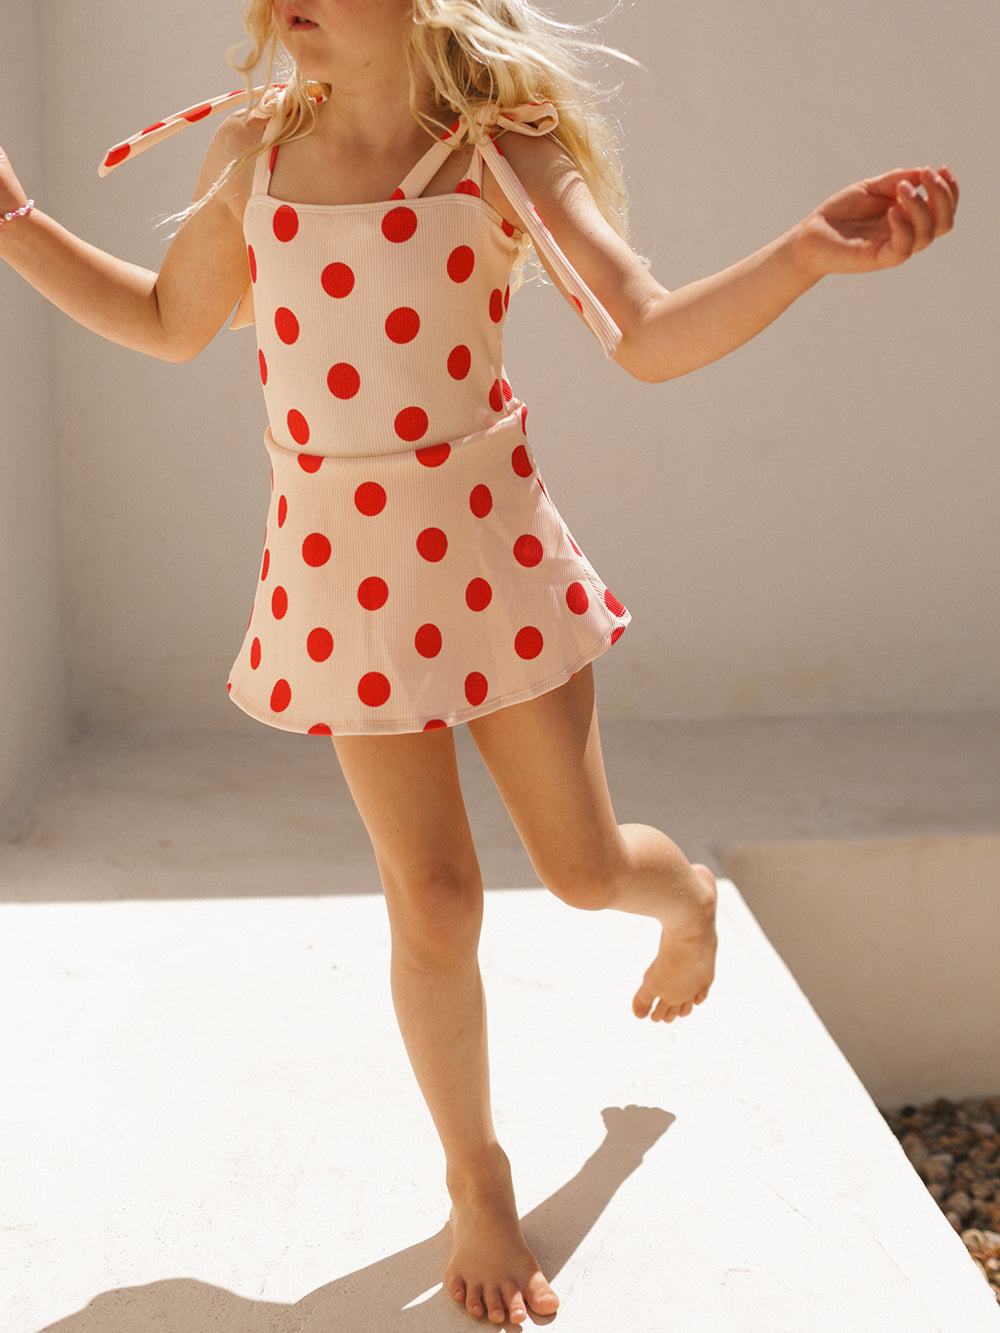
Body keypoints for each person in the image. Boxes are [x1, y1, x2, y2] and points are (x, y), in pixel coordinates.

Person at [0, 0, 957, 1324]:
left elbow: (645, 329)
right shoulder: (255, 155)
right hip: (343, 580)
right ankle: (477, 1173)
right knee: (434, 901)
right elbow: (171, 321)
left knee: (580, 869)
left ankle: (683, 894)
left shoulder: (497, 150)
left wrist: (801, 254)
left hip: (493, 564)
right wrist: (18, 226)